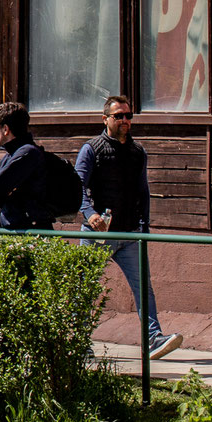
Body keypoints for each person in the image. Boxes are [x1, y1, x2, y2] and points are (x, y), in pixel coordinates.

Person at [75, 96, 183, 360]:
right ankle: (79, 342)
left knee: (143, 287)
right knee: (85, 288)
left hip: (130, 233)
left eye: (128, 115)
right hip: (97, 234)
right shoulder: (92, 149)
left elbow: (143, 191)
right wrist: (90, 215)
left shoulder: (137, 151)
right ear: (105, 119)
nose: (125, 120)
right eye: (118, 116)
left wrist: (144, 227)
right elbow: (76, 186)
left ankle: (153, 339)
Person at [0, 102, 55, 230]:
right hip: (21, 229)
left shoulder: (27, 154)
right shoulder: (10, 155)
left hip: (30, 232)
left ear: (6, 129)